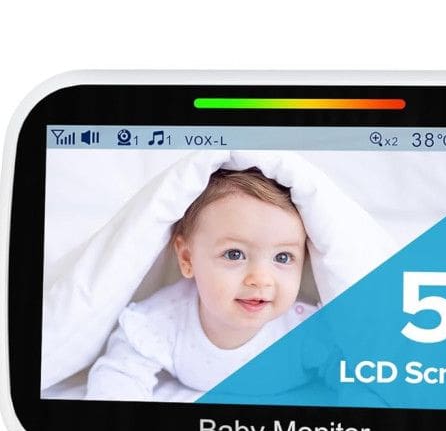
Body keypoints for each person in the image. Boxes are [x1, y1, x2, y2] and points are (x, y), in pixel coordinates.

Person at [86, 168, 317, 400]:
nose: (261, 279)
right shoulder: (164, 320)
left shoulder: (307, 330)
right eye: (234, 254)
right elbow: (119, 373)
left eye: (283, 257)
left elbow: (341, 368)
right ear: (187, 258)